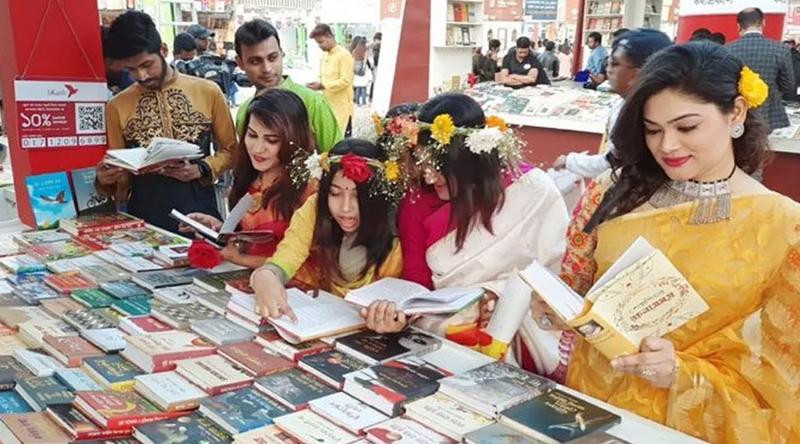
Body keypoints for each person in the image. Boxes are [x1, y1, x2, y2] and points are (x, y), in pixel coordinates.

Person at [533, 42, 800, 443]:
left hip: (687, 427)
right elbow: (577, 291)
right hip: (591, 406)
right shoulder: (611, 192)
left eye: (686, 127)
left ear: (736, 113)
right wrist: (555, 312)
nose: (667, 146)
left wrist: (683, 374)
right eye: (653, 129)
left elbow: (784, 373)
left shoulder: (783, 225)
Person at [393, 94, 568, 361]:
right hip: (440, 337)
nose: (428, 176)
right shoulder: (418, 201)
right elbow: (416, 290)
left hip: (523, 337)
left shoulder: (532, 189)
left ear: (467, 159)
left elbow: (557, 275)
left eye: (438, 166)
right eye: (423, 163)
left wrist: (497, 294)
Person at [95, 11, 237, 233]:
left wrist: (202, 169)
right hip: (145, 219)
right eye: (131, 70)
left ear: (163, 50)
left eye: (147, 64)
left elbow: (232, 151)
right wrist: (105, 180)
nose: (141, 76)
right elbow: (122, 179)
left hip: (201, 215)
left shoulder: (208, 92)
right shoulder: (117, 106)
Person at [249, 139, 405, 331]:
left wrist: (393, 318)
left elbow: (403, 299)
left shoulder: (395, 230)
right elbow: (287, 256)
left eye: (357, 196)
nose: (345, 207)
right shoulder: (315, 209)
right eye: (335, 193)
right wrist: (267, 275)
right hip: (318, 323)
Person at [179, 89, 317, 268]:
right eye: (252, 135)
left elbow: (313, 264)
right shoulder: (250, 177)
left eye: (271, 140)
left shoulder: (309, 187)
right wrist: (219, 229)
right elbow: (248, 241)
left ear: (294, 139)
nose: (258, 148)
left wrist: (240, 259)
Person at [555, 28, 672, 178]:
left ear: (637, 74)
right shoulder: (625, 104)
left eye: (615, 64)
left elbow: (614, 163)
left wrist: (570, 161)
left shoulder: (643, 115)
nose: (608, 70)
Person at [234, 20, 341, 153]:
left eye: (272, 58)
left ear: (282, 54)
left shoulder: (311, 102)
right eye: (255, 61)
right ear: (240, 63)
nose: (267, 69)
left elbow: (337, 158)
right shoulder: (244, 111)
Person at [728, 7, 795, 131]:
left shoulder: (727, 50)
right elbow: (789, 85)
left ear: (738, 26)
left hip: (738, 113)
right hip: (771, 114)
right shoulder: (781, 49)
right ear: (763, 23)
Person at [308, 24, 355, 137]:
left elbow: (345, 81)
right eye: (317, 43)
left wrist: (323, 86)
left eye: (321, 42)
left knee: (341, 141)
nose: (319, 46)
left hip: (342, 109)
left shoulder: (344, 55)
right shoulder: (324, 56)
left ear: (330, 36)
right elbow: (323, 79)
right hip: (328, 107)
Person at [352, 37, 371, 107]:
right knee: (363, 86)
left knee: (358, 86)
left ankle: (357, 102)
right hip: (362, 67)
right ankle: (363, 102)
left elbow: (353, 60)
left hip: (356, 68)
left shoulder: (354, 50)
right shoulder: (365, 50)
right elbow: (365, 60)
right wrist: (364, 67)